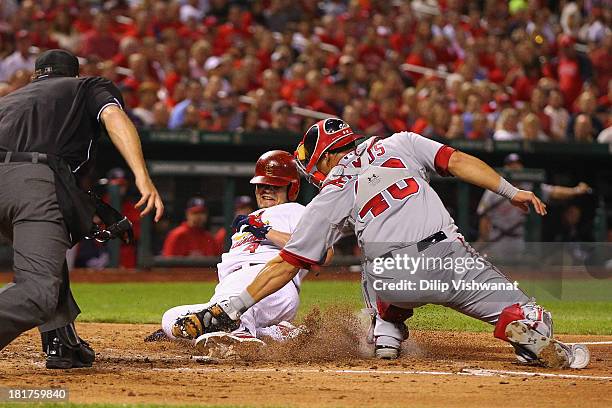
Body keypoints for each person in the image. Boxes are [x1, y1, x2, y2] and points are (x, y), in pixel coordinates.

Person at [172, 118, 591, 369]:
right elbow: (459, 162)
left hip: (392, 276)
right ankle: (526, 329)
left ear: (325, 155)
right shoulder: (401, 143)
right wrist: (510, 191)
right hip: (451, 261)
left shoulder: (330, 193)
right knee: (531, 312)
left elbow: (287, 262)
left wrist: (229, 307)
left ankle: (386, 333)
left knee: (373, 268)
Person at [0, 49, 164, 369]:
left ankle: (62, 342)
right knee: (36, 292)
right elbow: (115, 118)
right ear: (74, 74)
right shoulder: (86, 86)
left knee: (47, 261)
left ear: (36, 76)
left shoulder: (9, 99)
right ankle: (60, 339)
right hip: (32, 181)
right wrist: (142, 176)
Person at [161, 151, 311, 352]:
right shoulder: (249, 220)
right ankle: (276, 334)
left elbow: (320, 253)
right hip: (230, 286)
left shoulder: (297, 211)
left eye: (274, 186)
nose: (266, 190)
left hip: (271, 281)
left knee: (230, 310)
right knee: (171, 318)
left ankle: (240, 333)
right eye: (261, 185)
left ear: (291, 188)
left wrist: (267, 232)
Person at [477, 153, 591, 256]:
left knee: (518, 273)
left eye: (517, 164)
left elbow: (553, 192)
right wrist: (484, 240)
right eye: (510, 165)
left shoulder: (529, 187)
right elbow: (484, 216)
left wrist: (575, 190)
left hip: (518, 238)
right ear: (505, 168)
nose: (514, 167)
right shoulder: (493, 188)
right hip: (497, 238)